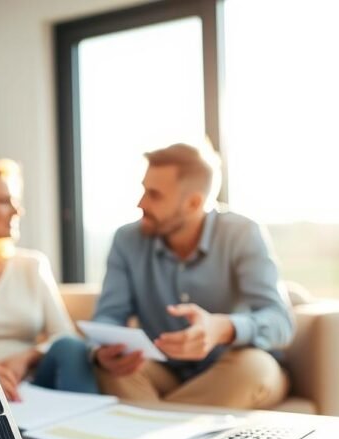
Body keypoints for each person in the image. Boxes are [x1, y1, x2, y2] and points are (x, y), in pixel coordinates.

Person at [92, 142, 294, 408]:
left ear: (193, 203)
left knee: (255, 368)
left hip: (231, 367)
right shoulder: (126, 240)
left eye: (154, 195)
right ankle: (176, 423)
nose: (141, 203)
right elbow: (109, 315)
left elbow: (281, 321)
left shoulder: (242, 233)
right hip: (164, 370)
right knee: (112, 368)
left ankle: (152, 422)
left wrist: (222, 329)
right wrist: (102, 351)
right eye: (143, 190)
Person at [0, 156, 99, 400]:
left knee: (71, 347)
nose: (17, 211)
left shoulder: (32, 266)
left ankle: (87, 419)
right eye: (4, 201)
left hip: (35, 381)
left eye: (15, 201)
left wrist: (26, 357)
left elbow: (65, 335)